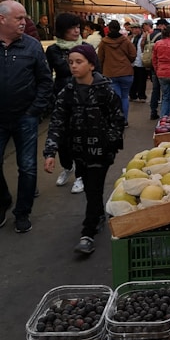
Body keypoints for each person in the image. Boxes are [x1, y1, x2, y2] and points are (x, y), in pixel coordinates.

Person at [43, 44, 125, 255]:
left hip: (101, 151)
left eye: (79, 62)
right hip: (78, 152)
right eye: (70, 62)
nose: (73, 66)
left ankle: (87, 234)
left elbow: (117, 119)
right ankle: (97, 215)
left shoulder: (105, 90)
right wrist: (50, 153)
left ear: (91, 64)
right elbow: (57, 123)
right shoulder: (67, 93)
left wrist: (110, 141)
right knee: (90, 187)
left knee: (94, 187)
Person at [0, 0, 53, 233]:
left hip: (26, 118)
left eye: (25, 18)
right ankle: (3, 202)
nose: (25, 22)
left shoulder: (32, 46)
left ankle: (22, 212)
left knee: (28, 167)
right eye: (19, 18)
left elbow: (44, 81)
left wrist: (34, 110)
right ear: (2, 19)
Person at [46, 12, 88, 194]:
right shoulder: (53, 50)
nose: (76, 30)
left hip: (84, 98)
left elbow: (96, 71)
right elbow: (59, 70)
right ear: (63, 30)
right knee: (63, 140)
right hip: (62, 98)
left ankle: (80, 175)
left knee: (80, 139)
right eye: (72, 27)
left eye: (78, 27)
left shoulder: (86, 47)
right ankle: (67, 167)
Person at [97, 19, 136, 126]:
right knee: (124, 97)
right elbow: (133, 55)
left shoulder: (104, 42)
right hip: (126, 72)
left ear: (108, 29)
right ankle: (124, 120)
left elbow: (99, 58)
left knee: (115, 98)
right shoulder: (126, 41)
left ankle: (116, 119)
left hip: (110, 73)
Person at [141, 19, 165, 120]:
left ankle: (153, 111)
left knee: (155, 89)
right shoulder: (162, 36)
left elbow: (142, 46)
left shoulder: (148, 35)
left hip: (153, 66)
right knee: (165, 91)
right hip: (162, 66)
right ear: (162, 26)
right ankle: (165, 114)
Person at [129, 23, 148, 102]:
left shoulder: (144, 37)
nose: (134, 30)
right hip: (133, 62)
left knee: (142, 79)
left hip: (141, 61)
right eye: (133, 29)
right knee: (134, 80)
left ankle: (141, 95)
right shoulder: (131, 38)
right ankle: (133, 95)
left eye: (136, 28)